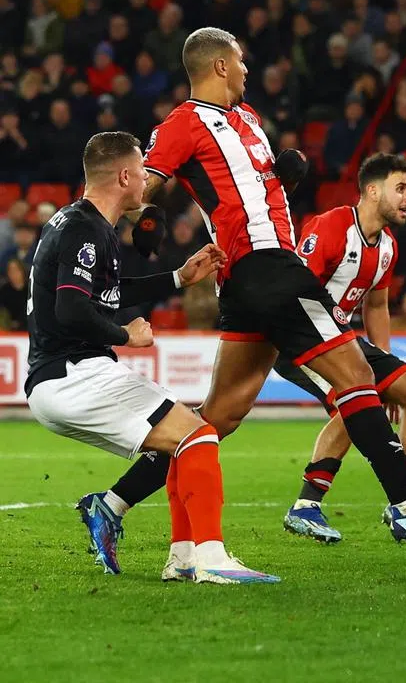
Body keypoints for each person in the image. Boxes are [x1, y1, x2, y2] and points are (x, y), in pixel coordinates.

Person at [76, 28, 406, 567]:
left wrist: (282, 178)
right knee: (357, 379)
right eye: (240, 62)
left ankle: (112, 503)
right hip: (266, 268)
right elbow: (137, 186)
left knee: (217, 417)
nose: (246, 70)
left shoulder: (249, 122)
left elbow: (254, 190)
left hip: (256, 277)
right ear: (219, 66)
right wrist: (147, 217)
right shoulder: (182, 123)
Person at [27, 131, 277, 584]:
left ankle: (182, 557)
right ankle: (212, 558)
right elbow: (70, 308)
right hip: (73, 374)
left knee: (184, 434)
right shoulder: (86, 229)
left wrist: (178, 279)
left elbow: (104, 293)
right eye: (142, 168)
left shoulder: (80, 223)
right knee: (200, 433)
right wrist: (124, 333)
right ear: (124, 175)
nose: (147, 176)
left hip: (59, 378)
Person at [276, 153, 406, 543]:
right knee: (356, 405)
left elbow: (378, 305)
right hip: (301, 341)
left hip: (345, 343)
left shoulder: (387, 246)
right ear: (371, 191)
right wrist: (367, 381)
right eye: (401, 188)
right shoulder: (332, 226)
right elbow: (293, 289)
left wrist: (385, 365)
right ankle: (306, 506)